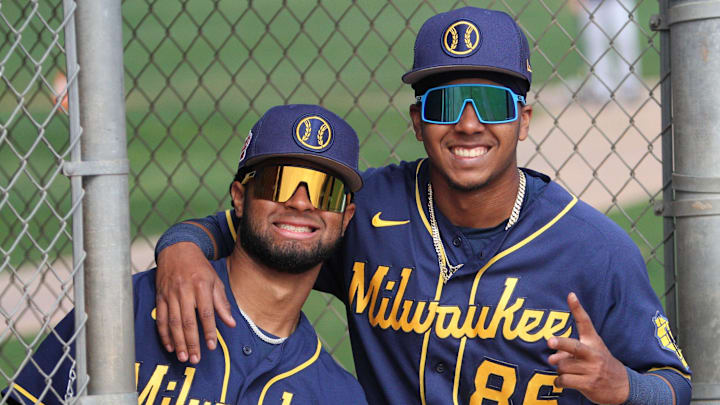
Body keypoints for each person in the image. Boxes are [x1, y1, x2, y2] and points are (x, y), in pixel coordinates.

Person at [153, 8, 691, 404]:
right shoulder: (368, 207)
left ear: (523, 120)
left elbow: (675, 385)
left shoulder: (594, 251)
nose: (468, 123)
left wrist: (624, 389)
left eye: (493, 103)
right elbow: (256, 226)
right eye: (446, 102)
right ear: (417, 122)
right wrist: (181, 248)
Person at [2, 104, 368, 405]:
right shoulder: (128, 309)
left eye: (326, 192)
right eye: (279, 182)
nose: (300, 202)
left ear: (346, 217)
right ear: (240, 197)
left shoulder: (335, 394)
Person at [573, 0, 644, 101]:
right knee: (595, 46)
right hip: (591, 3)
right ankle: (602, 89)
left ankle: (630, 85)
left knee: (625, 40)